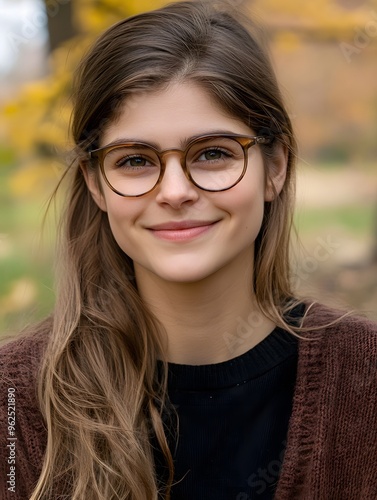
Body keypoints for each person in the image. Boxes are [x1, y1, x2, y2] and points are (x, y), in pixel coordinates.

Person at [1, 1, 376, 499]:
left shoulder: (365, 378)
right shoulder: (13, 401)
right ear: (95, 183)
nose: (175, 191)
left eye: (213, 153)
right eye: (134, 160)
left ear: (276, 166)